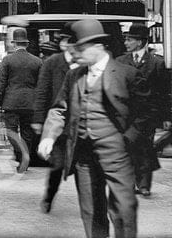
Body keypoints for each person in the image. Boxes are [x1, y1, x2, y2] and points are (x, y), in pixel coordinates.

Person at [39, 18, 148, 238]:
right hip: (83, 155)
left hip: (117, 154)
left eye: (80, 48)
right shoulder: (74, 75)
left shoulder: (127, 74)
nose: (75, 53)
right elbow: (59, 109)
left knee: (122, 210)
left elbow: (144, 113)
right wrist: (49, 136)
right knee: (90, 210)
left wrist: (128, 140)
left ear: (98, 46)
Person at [116, 22, 169, 198]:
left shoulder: (156, 64)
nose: (126, 43)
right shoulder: (120, 61)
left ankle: (144, 184)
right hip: (126, 115)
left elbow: (164, 93)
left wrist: (166, 116)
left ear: (140, 42)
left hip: (148, 114)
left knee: (145, 148)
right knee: (127, 148)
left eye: (129, 40)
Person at [34, 25, 75, 214]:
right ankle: (49, 197)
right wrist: (38, 119)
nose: (67, 45)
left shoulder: (82, 62)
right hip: (57, 123)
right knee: (57, 165)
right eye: (65, 41)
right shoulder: (52, 63)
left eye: (71, 41)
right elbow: (42, 91)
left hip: (79, 125)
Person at [0, 27, 42, 168]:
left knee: (11, 132)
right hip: (30, 103)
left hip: (11, 103)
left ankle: (19, 155)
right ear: (26, 44)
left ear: (14, 43)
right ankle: (25, 158)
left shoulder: (7, 60)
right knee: (27, 133)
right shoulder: (37, 61)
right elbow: (41, 85)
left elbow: (1, 83)